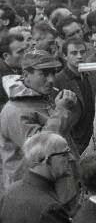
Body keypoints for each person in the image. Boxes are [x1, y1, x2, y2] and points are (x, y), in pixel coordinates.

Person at [0, 49, 76, 189]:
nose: (51, 79)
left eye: (53, 73)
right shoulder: (15, 110)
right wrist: (61, 110)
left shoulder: (42, 98)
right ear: (26, 75)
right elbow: (41, 149)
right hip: (28, 191)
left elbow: (63, 138)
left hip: (52, 186)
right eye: (44, 74)